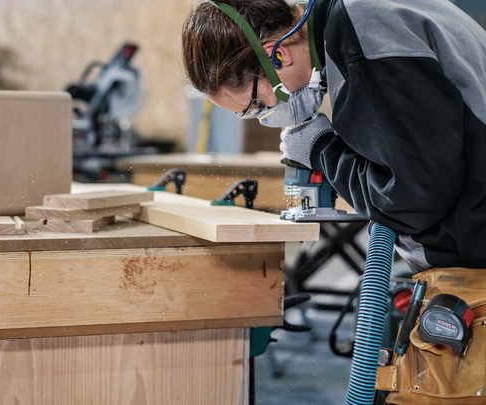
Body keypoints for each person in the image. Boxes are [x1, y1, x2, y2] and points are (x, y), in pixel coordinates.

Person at [182, 0, 486, 403]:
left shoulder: (362, 35)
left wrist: (322, 148)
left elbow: (413, 198)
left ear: (278, 54)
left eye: (256, 105)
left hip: (473, 274)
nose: (268, 115)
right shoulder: (365, 17)